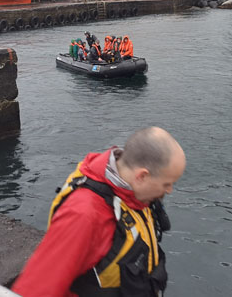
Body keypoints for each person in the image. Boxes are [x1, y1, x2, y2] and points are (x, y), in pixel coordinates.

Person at [12, 127, 186, 297]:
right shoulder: (84, 216)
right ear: (142, 176)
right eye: (166, 184)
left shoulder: (136, 195)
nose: (169, 190)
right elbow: (36, 288)